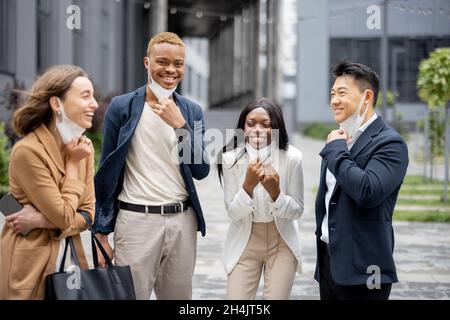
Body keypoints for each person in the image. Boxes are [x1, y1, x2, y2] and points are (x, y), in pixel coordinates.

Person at [92, 32, 209, 300]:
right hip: (136, 222)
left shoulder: (191, 112)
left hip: (182, 222)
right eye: (162, 62)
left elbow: (201, 169)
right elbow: (106, 174)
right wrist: (101, 232)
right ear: (147, 63)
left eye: (178, 64)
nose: (170, 70)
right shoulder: (122, 107)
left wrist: (181, 126)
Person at [0, 64, 98, 299]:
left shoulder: (83, 147)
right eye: (86, 96)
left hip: (71, 262)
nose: (94, 104)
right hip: (30, 264)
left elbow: (89, 214)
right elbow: (65, 216)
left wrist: (41, 220)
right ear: (56, 104)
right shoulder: (28, 151)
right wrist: (73, 166)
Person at [314, 61, 409, 300]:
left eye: (342, 93)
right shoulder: (339, 138)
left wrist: (335, 149)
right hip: (329, 263)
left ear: (367, 96)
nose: (334, 100)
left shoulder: (390, 143)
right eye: (332, 93)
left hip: (366, 270)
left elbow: (367, 191)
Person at [217, 97, 304, 300]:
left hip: (281, 241)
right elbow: (233, 213)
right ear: (243, 128)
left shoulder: (292, 158)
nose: (257, 129)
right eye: (251, 124)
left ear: (276, 128)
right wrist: (247, 186)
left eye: (266, 125)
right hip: (245, 241)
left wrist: (276, 194)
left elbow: (297, 210)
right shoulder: (231, 159)